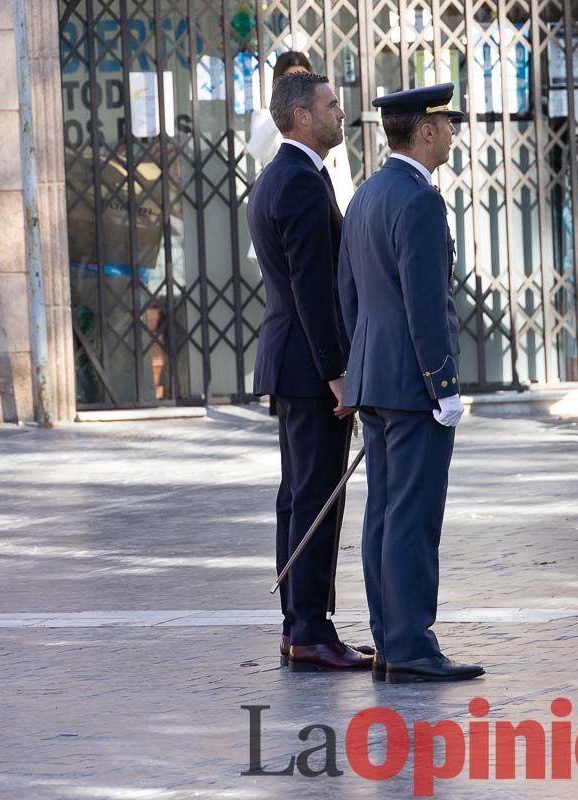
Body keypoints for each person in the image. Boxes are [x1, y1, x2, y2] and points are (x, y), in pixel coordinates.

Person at [338, 83, 483, 684]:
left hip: (376, 377)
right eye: (446, 123)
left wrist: (360, 368)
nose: (452, 132)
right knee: (414, 518)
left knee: (384, 515)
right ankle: (412, 646)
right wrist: (443, 384)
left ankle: (390, 639)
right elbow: (426, 304)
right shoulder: (420, 200)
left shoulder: (368, 193)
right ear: (424, 130)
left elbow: (350, 296)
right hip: (413, 384)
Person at [248, 72, 373, 672]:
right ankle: (310, 631)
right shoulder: (297, 180)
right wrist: (339, 374)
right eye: (329, 105)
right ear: (302, 118)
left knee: (299, 498)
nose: (339, 112)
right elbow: (312, 291)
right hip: (308, 366)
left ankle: (301, 626)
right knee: (316, 497)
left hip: (293, 362)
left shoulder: (287, 173)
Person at [246, 51, 354, 212]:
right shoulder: (264, 117)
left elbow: (341, 171)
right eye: (290, 78)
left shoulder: (328, 119)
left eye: (303, 76)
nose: (297, 83)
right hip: (284, 203)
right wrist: (283, 109)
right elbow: (256, 149)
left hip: (325, 203)